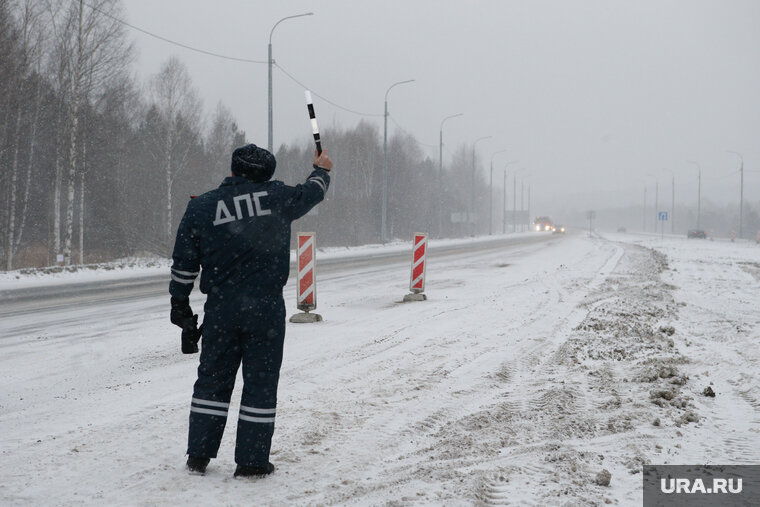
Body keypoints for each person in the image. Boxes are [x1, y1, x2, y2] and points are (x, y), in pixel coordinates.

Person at [169, 143, 332, 478]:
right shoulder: (277, 198)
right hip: (266, 310)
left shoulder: (202, 207)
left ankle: (199, 455)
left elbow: (185, 264)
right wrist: (323, 170)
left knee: (212, 381)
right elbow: (311, 193)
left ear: (233, 170)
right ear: (266, 174)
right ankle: (252, 462)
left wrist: (180, 305)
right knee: (260, 383)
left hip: (221, 310)